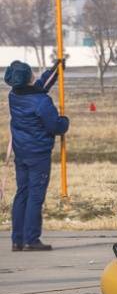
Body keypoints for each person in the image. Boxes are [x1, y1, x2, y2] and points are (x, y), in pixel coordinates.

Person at [6, 59, 68, 252]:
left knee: (22, 193)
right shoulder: (41, 102)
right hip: (38, 154)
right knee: (35, 196)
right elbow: (55, 126)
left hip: (21, 152)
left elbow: (40, 87)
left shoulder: (14, 95)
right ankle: (32, 239)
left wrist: (54, 71)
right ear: (27, 77)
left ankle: (18, 240)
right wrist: (65, 121)